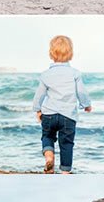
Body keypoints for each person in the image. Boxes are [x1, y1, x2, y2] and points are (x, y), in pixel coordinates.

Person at [33, 35, 91, 173]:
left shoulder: (45, 75)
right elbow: (81, 92)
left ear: (51, 53)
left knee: (47, 137)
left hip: (49, 114)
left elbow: (39, 95)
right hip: (68, 116)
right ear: (70, 53)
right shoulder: (75, 73)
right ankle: (65, 172)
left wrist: (38, 110)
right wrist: (86, 104)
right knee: (66, 144)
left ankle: (49, 158)